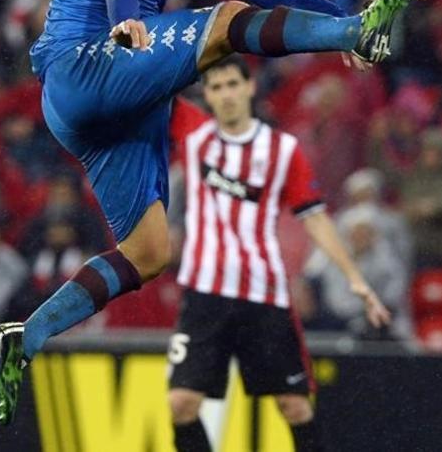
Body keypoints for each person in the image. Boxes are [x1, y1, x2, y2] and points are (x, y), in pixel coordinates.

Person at [0, 0, 418, 425]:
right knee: (222, 24)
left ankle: (23, 337)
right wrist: (127, 19)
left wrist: (339, 25)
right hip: (89, 66)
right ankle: (355, 29)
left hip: (106, 107)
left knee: (149, 251)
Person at [167, 57, 390, 452]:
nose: (226, 95)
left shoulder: (282, 150)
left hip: (264, 295)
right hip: (204, 294)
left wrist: (356, 280)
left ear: (250, 88)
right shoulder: (193, 134)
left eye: (233, 84)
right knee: (181, 403)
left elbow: (315, 217)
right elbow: (146, 83)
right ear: (206, 95)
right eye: (216, 88)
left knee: (294, 405)